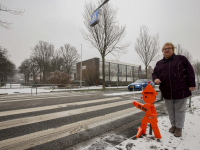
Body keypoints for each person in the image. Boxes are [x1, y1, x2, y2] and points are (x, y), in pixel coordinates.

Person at [152, 42, 196, 137]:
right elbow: (154, 73)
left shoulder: (181, 59)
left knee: (179, 110)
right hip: (166, 91)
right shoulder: (159, 63)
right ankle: (173, 125)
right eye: (165, 48)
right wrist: (155, 78)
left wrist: (192, 83)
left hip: (181, 90)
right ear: (163, 51)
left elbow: (190, 70)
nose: (167, 50)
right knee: (170, 110)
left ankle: (179, 128)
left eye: (169, 48)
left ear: (173, 49)